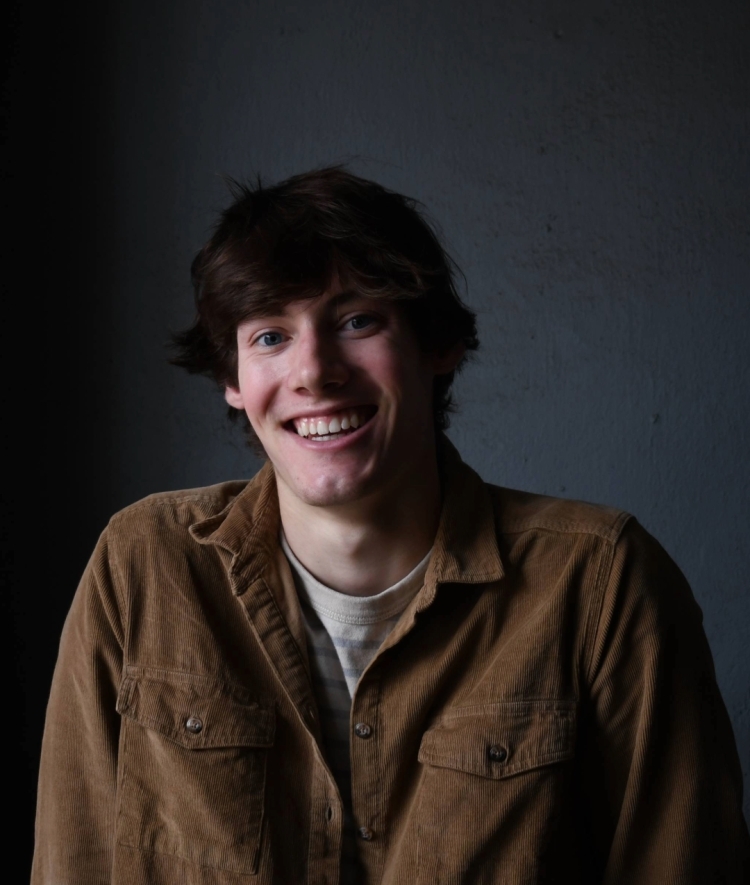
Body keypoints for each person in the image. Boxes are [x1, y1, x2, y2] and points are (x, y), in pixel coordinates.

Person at [32, 167, 749, 884]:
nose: (314, 371)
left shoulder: (601, 585)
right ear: (232, 377)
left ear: (438, 345)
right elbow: (74, 860)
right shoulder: (141, 567)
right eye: (271, 335)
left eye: (357, 321)